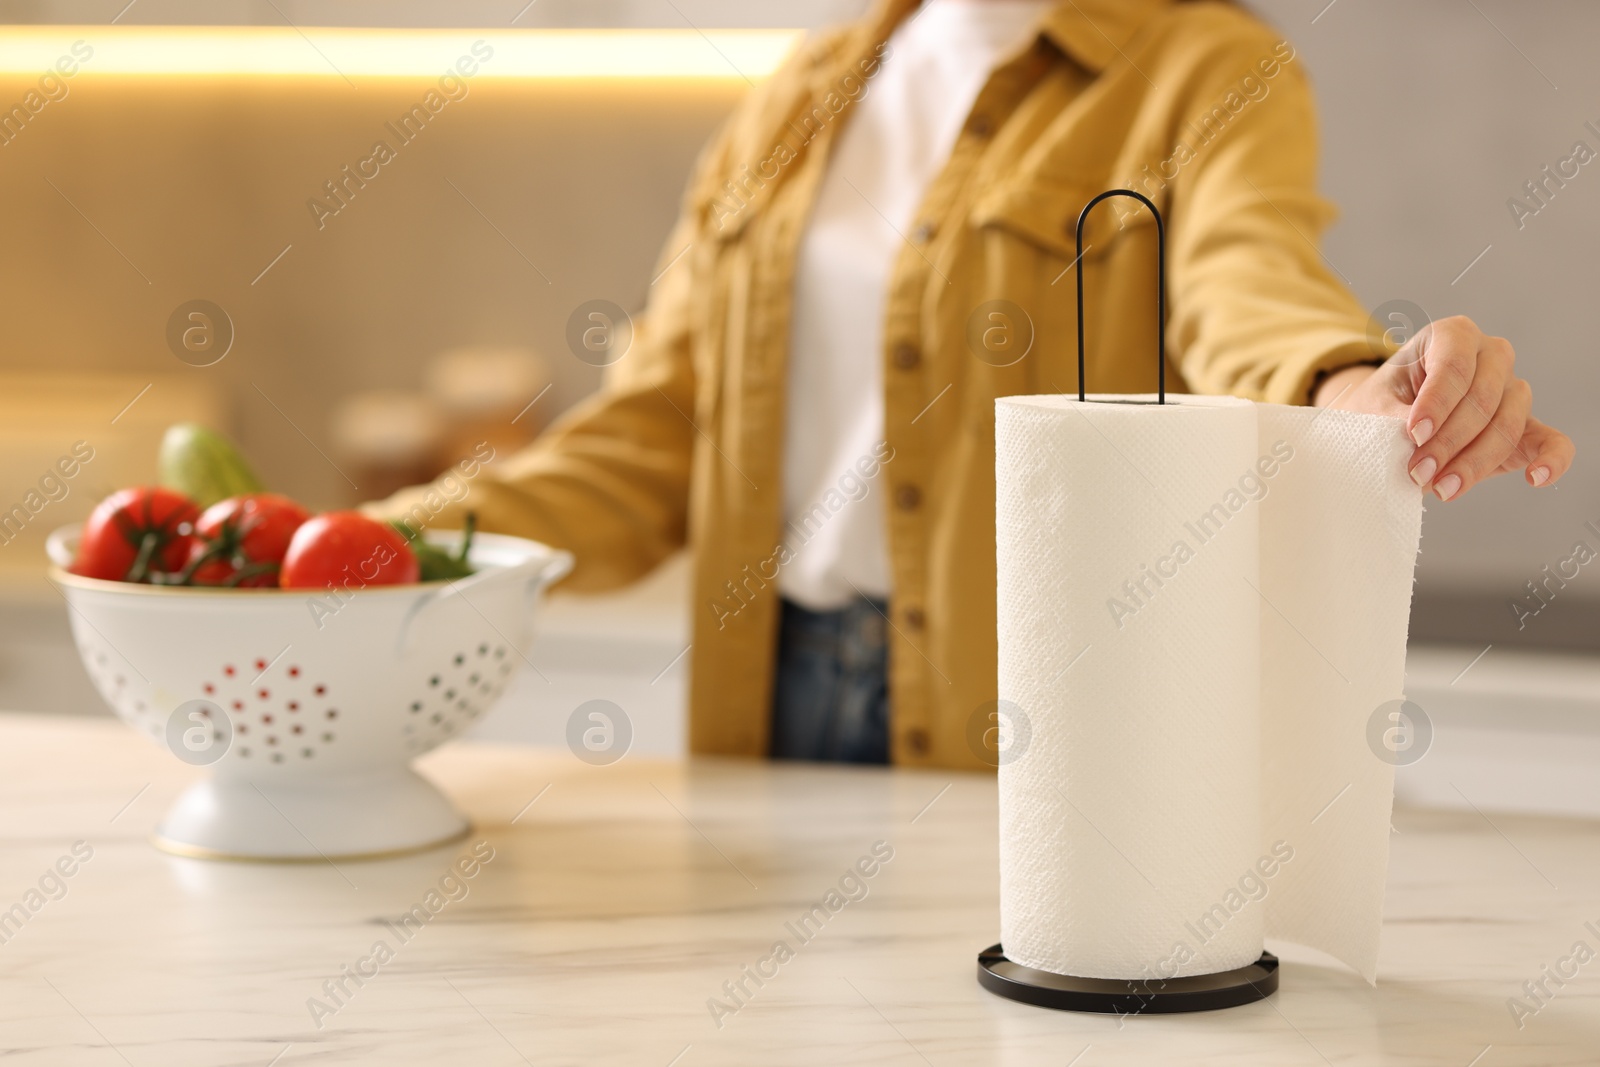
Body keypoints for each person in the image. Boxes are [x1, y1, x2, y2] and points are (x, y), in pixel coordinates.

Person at [375, 0, 1573, 770]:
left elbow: (1243, 281)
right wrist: (372, 545)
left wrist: (1350, 385)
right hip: (772, 695)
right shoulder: (796, 92)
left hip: (1032, 717)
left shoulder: (1206, 66)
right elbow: (654, 436)